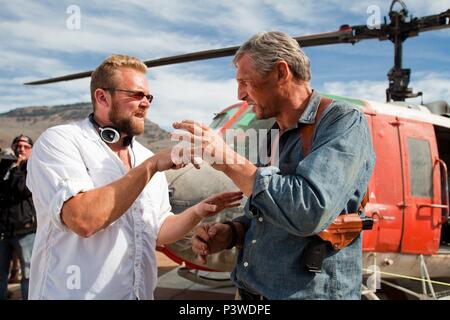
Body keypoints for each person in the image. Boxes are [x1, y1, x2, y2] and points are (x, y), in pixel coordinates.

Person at [174, 31, 376, 299]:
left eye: (245, 82)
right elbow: (264, 212)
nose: (240, 93)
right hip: (250, 291)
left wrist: (229, 160)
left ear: (281, 73)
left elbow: (309, 211)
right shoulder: (273, 135)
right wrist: (232, 232)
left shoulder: (343, 121)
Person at [25, 54, 243, 300]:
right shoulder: (60, 141)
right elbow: (84, 220)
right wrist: (151, 166)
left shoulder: (144, 156)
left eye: (148, 96)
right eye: (136, 95)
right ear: (102, 97)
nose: (146, 103)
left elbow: (159, 231)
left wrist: (198, 212)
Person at [0, 135, 36, 300]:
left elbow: (23, 189)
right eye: (18, 146)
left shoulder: (32, 167)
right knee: (1, 274)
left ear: (31, 149)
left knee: (28, 273)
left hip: (25, 228)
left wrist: (18, 168)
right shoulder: (6, 166)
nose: (21, 149)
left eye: (25, 146)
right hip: (4, 229)